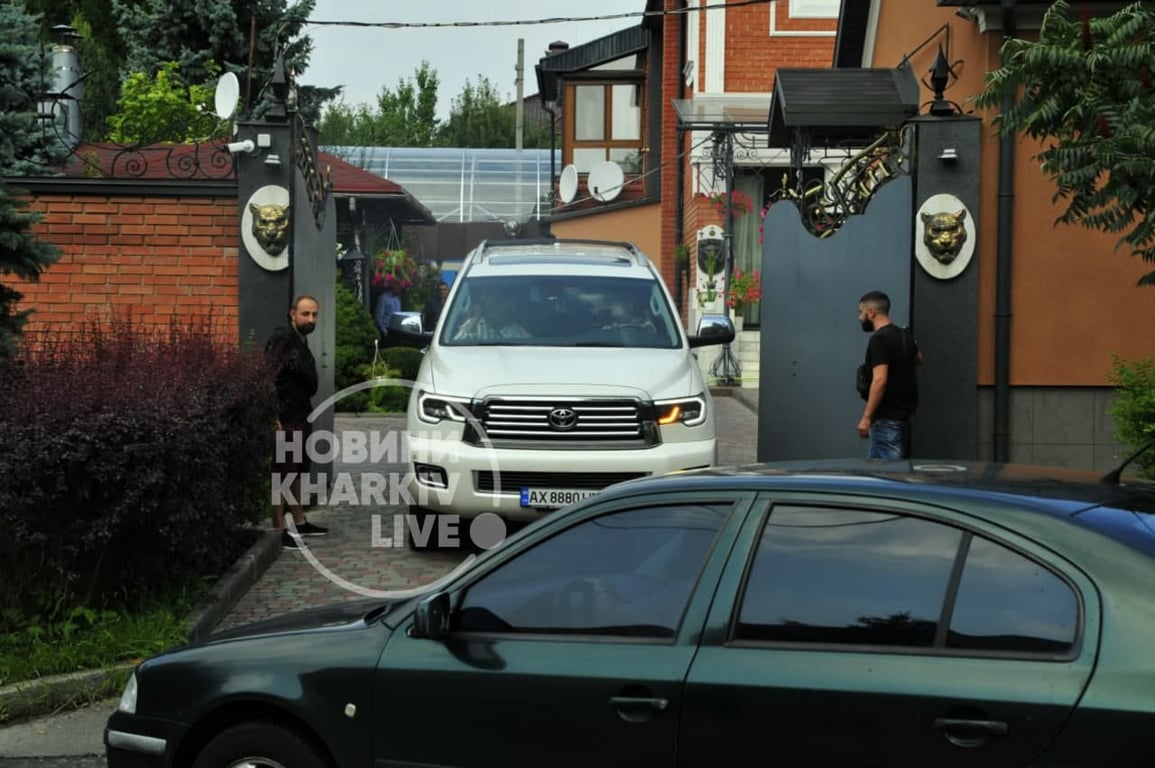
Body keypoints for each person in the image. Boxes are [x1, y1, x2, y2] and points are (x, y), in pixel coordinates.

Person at [265, 295, 329, 548]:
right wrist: (273, 415)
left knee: (297, 469)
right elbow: (267, 375)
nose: (310, 319)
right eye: (305, 314)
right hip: (286, 416)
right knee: (283, 470)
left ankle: (300, 521)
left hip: (301, 413)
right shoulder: (283, 339)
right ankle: (278, 528)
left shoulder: (300, 340)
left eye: (314, 314)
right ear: (292, 314)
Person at [856, 290, 923, 459]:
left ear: (871, 312)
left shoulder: (879, 339)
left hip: (886, 422)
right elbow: (920, 359)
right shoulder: (903, 335)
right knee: (895, 474)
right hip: (904, 419)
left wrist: (866, 417)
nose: (859, 318)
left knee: (886, 477)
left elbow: (880, 380)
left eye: (861, 312)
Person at [452, 288, 530, 341]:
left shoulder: (515, 329)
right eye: (485, 301)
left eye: (490, 300)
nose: (486, 304)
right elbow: (457, 344)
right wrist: (475, 318)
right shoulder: (475, 325)